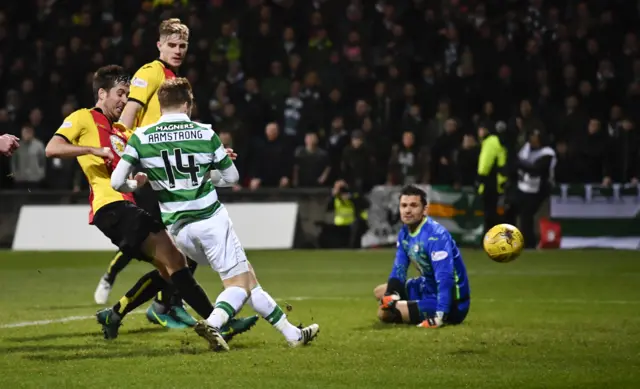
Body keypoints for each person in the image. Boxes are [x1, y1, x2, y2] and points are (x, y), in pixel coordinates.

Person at [45, 65, 255, 348]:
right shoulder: (83, 118)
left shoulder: (122, 132)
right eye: (120, 94)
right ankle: (221, 325)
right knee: (175, 262)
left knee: (171, 268)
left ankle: (114, 313)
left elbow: (164, 156)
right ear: (102, 93)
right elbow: (53, 148)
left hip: (127, 206)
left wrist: (209, 155)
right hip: (111, 208)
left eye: (128, 94)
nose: (124, 100)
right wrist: (93, 150)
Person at [111, 77, 319, 350]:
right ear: (188, 104)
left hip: (178, 231)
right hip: (210, 221)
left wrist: (136, 183)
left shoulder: (141, 137)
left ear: (160, 106)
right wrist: (210, 170)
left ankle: (292, 334)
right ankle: (214, 323)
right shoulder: (205, 134)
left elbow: (117, 182)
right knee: (239, 286)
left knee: (248, 278)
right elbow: (231, 177)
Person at [93, 18, 203, 329]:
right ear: (159, 45)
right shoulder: (151, 72)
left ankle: (143, 308)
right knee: (179, 246)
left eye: (182, 46)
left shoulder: (175, 80)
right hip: (148, 172)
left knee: (185, 247)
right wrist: (127, 161)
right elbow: (126, 120)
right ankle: (166, 305)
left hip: (169, 172)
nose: (178, 50)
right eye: (172, 45)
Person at [373, 185, 471, 327]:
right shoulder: (404, 233)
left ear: (424, 209)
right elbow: (399, 268)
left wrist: (440, 315)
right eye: (404, 205)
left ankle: (435, 312)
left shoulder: (436, 236)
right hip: (427, 286)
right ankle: (413, 305)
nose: (407, 210)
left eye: (413, 205)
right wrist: (392, 293)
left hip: (452, 302)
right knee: (380, 292)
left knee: (384, 313)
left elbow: (445, 279)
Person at [504, 129, 556, 248]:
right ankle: (509, 240)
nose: (533, 140)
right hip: (523, 186)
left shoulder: (547, 153)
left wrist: (519, 163)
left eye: (535, 138)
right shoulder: (526, 148)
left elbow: (536, 169)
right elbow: (515, 164)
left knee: (526, 216)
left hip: (538, 190)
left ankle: (529, 243)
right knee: (510, 210)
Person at [476, 121, 508, 235]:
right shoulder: (495, 141)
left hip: (490, 181)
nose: (479, 132)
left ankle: (489, 237)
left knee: (489, 212)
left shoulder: (490, 141)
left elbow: (486, 163)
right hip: (497, 180)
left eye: (481, 129)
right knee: (493, 211)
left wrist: (480, 178)